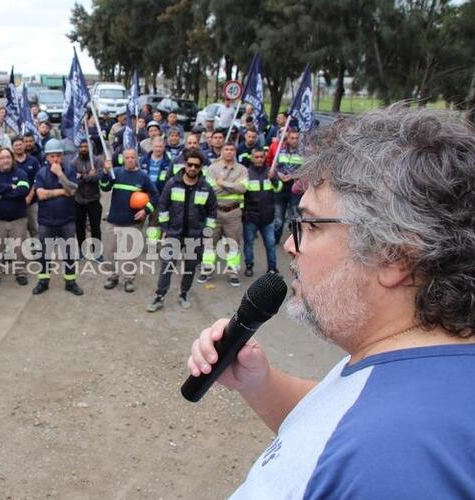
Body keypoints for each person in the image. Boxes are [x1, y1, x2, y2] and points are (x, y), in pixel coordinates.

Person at [187, 106, 475, 498]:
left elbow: (360, 444)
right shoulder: (415, 361)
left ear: (394, 257)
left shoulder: (392, 458)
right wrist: (261, 383)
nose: (290, 245)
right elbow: (333, 421)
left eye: (309, 225)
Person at [147, 149, 216, 312]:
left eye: (196, 166)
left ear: (200, 168)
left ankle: (184, 293)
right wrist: (165, 229)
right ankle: (160, 296)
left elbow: (212, 211)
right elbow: (162, 207)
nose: (192, 168)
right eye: (190, 164)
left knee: (190, 266)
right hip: (174, 234)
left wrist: (206, 232)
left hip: (195, 235)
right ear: (185, 164)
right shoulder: (172, 183)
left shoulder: (206, 188)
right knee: (167, 265)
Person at [100, 148, 159, 292]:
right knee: (109, 252)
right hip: (114, 220)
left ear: (136, 159)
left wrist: (145, 210)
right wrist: (106, 173)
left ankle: (129, 279)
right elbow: (104, 187)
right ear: (123, 159)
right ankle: (112, 276)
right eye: (127, 157)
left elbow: (155, 195)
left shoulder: (142, 176)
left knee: (130, 253)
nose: (130, 160)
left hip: (132, 222)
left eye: (133, 157)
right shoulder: (117, 172)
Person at [31, 139, 83, 296]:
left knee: (68, 253)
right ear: (47, 157)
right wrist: (62, 191)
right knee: (44, 253)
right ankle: (43, 281)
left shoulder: (69, 169)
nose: (55, 159)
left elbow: (73, 191)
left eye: (58, 155)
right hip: (46, 221)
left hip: (67, 220)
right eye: (52, 156)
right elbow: (41, 194)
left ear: (62, 156)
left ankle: (70, 282)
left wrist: (60, 174)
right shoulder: (41, 172)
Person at [200, 142, 247, 286]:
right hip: (214, 212)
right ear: (221, 151)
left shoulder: (242, 169)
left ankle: (233, 272)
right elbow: (211, 189)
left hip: (233, 212)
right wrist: (232, 185)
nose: (229, 152)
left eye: (232, 149)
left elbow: (243, 188)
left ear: (235, 152)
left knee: (233, 244)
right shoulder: (212, 168)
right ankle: (207, 270)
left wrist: (223, 183)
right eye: (226, 149)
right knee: (209, 243)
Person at [0, 147, 30, 286]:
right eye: (2, 158)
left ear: (12, 159)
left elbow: (23, 191)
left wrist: (0, 193)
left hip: (18, 219)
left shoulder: (20, 173)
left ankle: (20, 272)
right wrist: (11, 187)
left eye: (8, 157)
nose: (6, 160)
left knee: (19, 248)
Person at [242, 148, 280, 277]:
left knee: (270, 244)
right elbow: (242, 194)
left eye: (261, 157)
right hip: (251, 216)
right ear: (252, 158)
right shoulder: (246, 174)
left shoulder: (270, 173)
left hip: (267, 216)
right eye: (256, 157)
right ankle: (249, 266)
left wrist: (274, 179)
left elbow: (279, 188)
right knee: (248, 243)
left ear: (265, 158)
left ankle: (272, 268)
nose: (259, 159)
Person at [71, 139, 103, 259]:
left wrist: (82, 176)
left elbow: (98, 177)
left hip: (94, 199)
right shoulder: (73, 162)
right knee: (79, 227)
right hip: (78, 200)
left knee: (95, 227)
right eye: (82, 147)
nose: (84, 149)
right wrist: (89, 176)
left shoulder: (97, 160)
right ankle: (81, 250)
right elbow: (74, 181)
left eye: (86, 146)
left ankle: (97, 252)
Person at [273, 129, 303, 244]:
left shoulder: (303, 153)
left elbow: (305, 170)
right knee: (278, 219)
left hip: (295, 189)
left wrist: (292, 176)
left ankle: (293, 241)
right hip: (281, 189)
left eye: (297, 138)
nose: (295, 140)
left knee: (293, 217)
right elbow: (273, 168)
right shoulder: (280, 151)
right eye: (292, 138)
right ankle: (275, 239)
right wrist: (278, 174)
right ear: (288, 139)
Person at [12, 136, 41, 238]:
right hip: (15, 201)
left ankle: (38, 250)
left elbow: (37, 179)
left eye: (20, 144)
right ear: (12, 147)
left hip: (32, 201)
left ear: (24, 145)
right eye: (16, 145)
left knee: (35, 227)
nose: (19, 147)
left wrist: (29, 196)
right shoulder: (10, 162)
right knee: (18, 230)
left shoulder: (33, 161)